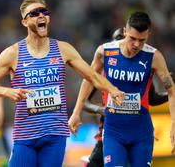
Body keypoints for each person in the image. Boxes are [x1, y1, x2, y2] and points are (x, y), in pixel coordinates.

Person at [0, 0, 125, 167]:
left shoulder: (63, 49)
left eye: (44, 11)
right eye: (34, 13)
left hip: (55, 136)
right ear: (24, 22)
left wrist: (113, 89)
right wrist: (7, 91)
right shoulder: (13, 53)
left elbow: (92, 76)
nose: (41, 15)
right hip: (25, 137)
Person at [70, 12, 175, 167]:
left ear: (148, 35)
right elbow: (89, 79)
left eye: (142, 40)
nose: (137, 45)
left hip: (141, 131)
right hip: (114, 129)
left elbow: (171, 91)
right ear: (125, 31)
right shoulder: (104, 52)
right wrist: (76, 113)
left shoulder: (154, 56)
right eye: (132, 38)